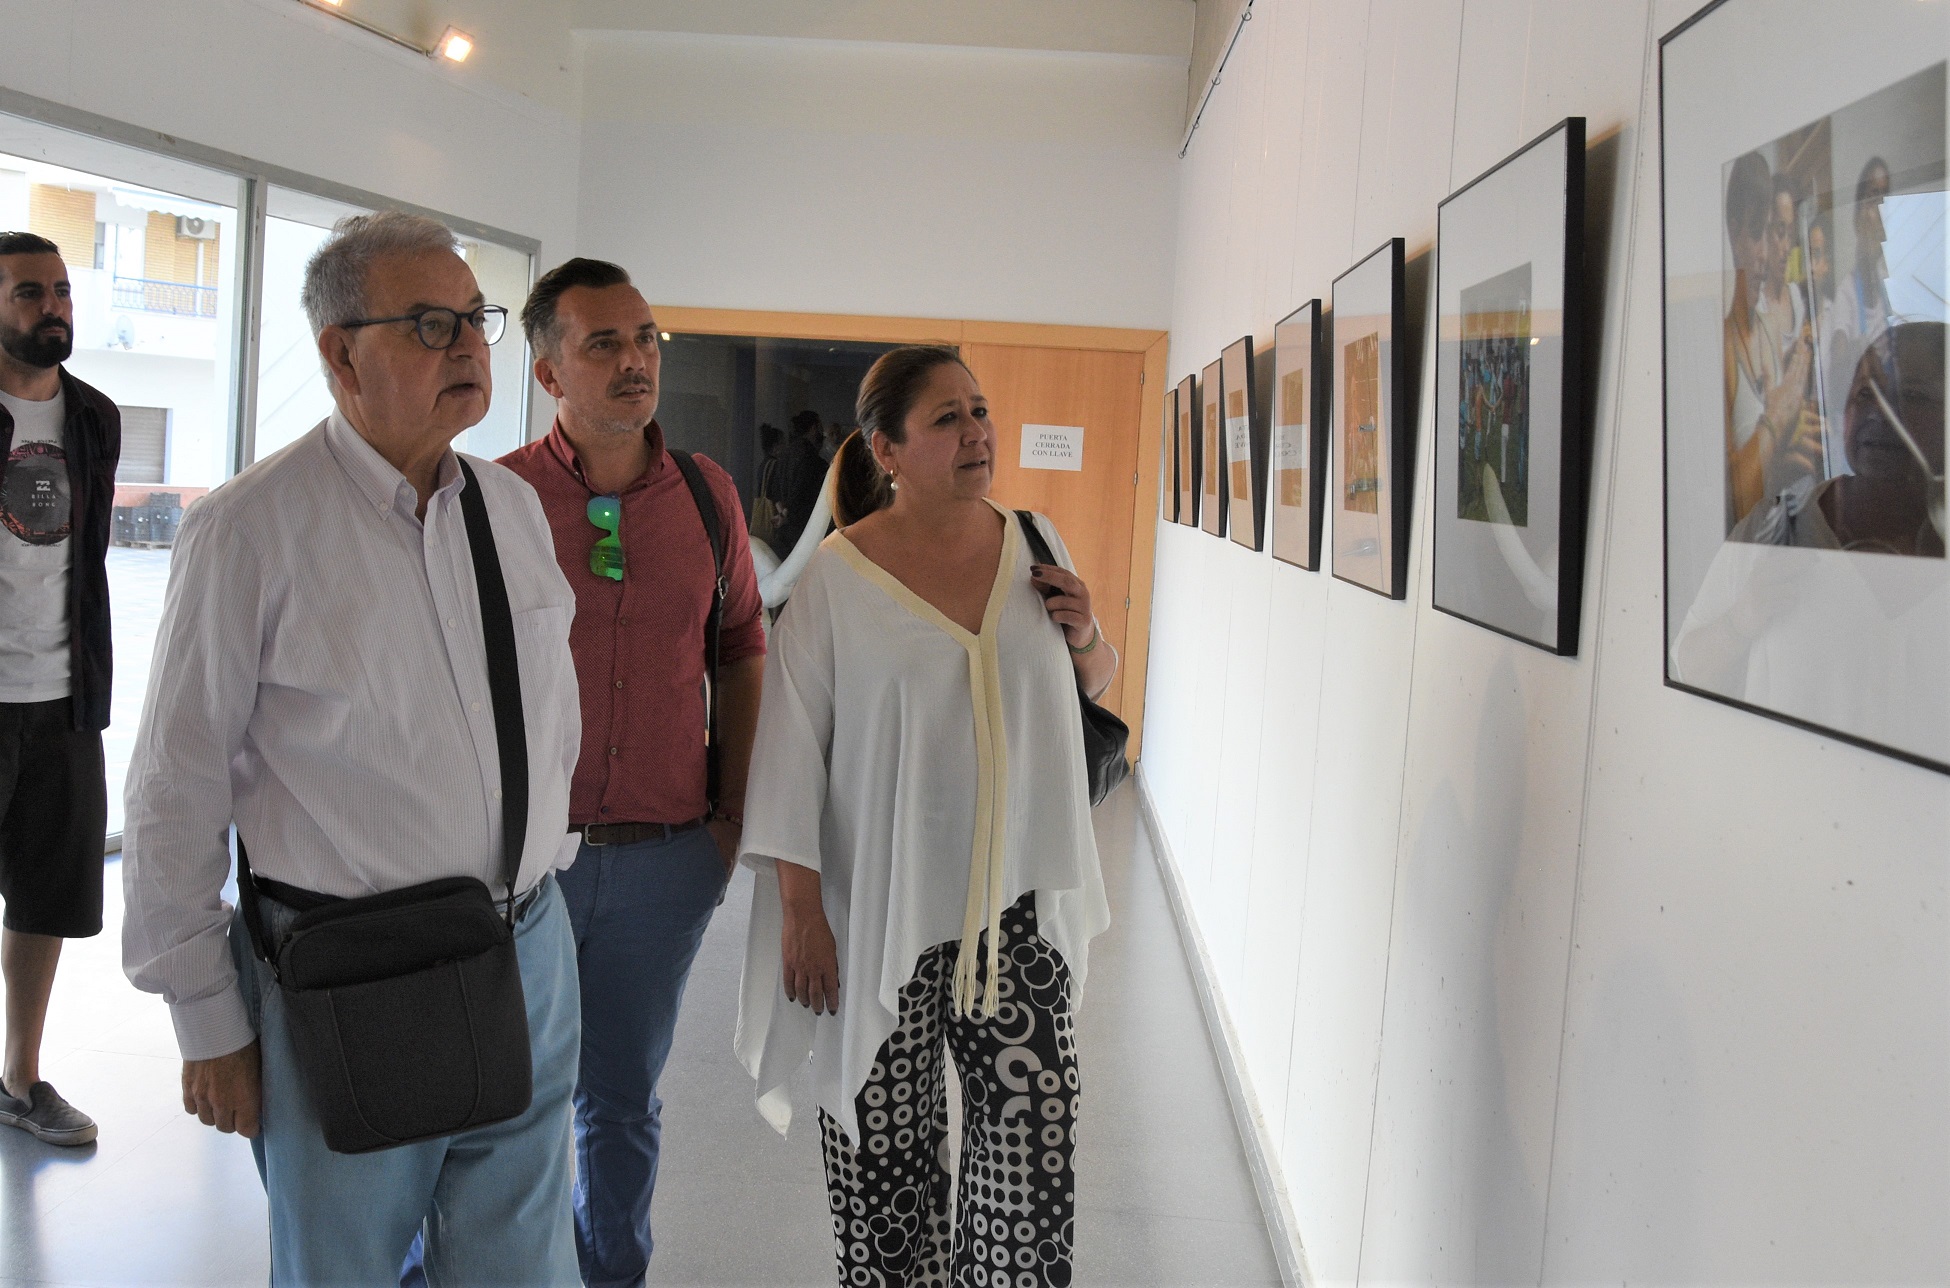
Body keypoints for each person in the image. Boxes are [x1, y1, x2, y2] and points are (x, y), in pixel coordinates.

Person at [121, 211, 584, 1286]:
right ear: (339, 352)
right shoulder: (249, 530)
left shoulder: (509, 510)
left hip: (525, 949)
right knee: (346, 1265)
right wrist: (206, 1017)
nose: (470, 346)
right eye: (431, 324)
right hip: (351, 977)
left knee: (523, 1259)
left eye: (475, 319)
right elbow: (171, 791)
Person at [735, 345, 1114, 1286]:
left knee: (1031, 1147)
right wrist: (800, 915)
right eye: (947, 418)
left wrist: (1088, 632)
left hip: (1011, 910)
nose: (976, 432)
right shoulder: (832, 582)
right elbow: (787, 759)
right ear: (887, 449)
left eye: (978, 411)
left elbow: (1086, 697)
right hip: (877, 910)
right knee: (882, 1160)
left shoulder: (1036, 541)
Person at [499, 257, 766, 1288]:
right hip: (521, 864)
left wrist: (734, 814)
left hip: (666, 859)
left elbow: (740, 641)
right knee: (503, 1096)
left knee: (621, 1097)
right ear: (546, 369)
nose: (633, 361)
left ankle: (614, 1273)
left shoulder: (707, 495)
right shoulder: (497, 499)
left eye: (646, 338)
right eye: (602, 343)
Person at [0, 231, 118, 1148]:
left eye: (64, 290)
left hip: (64, 699)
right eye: (30, 292)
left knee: (46, 898)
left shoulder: (94, 416)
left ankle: (19, 1078)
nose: (54, 307)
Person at [1722, 151, 1821, 529]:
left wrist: (1798, 447)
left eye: (1773, 232)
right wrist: (1779, 419)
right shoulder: (1723, 347)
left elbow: (1769, 470)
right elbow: (1733, 499)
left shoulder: (1765, 331)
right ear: (1733, 233)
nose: (1766, 253)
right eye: (1755, 233)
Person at [774, 408, 828, 553]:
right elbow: (803, 493)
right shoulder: (813, 459)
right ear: (813, 428)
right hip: (804, 529)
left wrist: (782, 513)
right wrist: (788, 514)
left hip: (784, 531)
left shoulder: (785, 454)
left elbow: (775, 491)